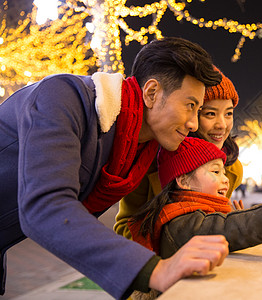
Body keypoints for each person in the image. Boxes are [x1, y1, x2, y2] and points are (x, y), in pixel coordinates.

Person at [0, 37, 230, 299]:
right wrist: (155, 270)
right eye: (190, 106)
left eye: (199, 110)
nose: (193, 123)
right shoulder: (61, 98)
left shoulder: (138, 149)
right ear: (152, 93)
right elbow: (45, 207)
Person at [129, 136, 262, 261]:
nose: (225, 180)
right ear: (183, 180)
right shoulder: (178, 222)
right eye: (216, 172)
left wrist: (231, 215)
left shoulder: (190, 214)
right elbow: (229, 229)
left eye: (224, 173)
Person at [114, 66, 244, 239]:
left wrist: (234, 224)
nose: (222, 124)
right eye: (210, 114)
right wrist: (171, 243)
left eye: (228, 114)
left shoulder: (232, 169)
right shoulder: (148, 160)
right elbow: (124, 227)